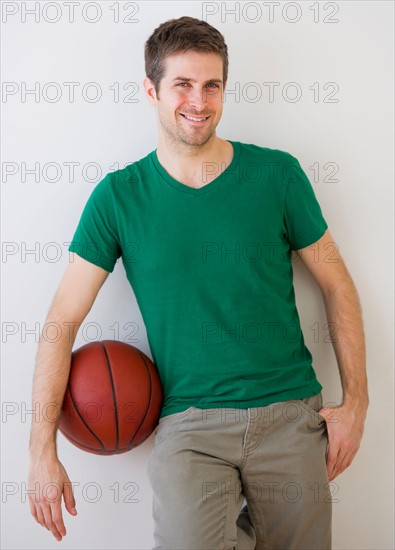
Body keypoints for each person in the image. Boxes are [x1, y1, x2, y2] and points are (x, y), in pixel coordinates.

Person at [28, 15, 368, 550]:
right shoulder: (119, 197)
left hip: (290, 414)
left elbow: (338, 285)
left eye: (212, 85)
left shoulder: (276, 175)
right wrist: (41, 452)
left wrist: (356, 404)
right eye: (182, 84)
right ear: (151, 90)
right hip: (190, 426)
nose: (199, 101)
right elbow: (61, 321)